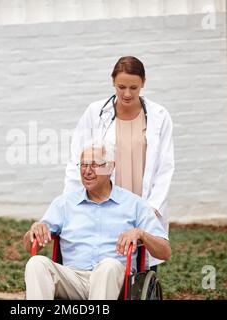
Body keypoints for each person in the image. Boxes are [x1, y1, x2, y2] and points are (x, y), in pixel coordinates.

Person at [63, 56, 174, 270]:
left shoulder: (159, 117)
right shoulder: (95, 113)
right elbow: (77, 159)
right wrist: (73, 202)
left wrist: (151, 209)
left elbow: (165, 167)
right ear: (113, 81)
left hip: (142, 202)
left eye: (134, 87)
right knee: (105, 257)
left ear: (143, 82)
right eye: (121, 86)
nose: (127, 94)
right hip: (105, 200)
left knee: (142, 263)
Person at [23, 145, 170, 300]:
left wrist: (141, 234)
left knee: (108, 266)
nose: (87, 171)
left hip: (116, 280)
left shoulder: (135, 204)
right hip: (73, 278)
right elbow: (29, 246)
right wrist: (34, 230)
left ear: (110, 167)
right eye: (84, 165)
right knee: (36, 263)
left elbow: (165, 252)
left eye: (94, 165)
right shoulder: (64, 204)